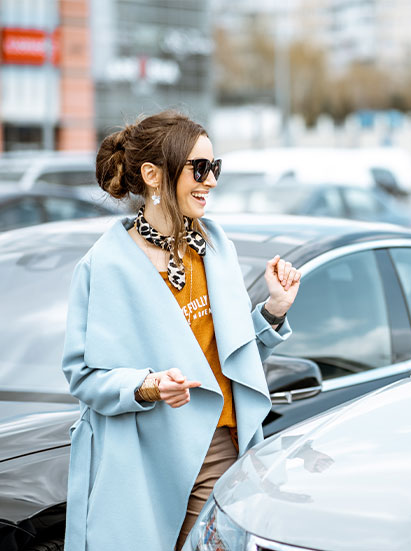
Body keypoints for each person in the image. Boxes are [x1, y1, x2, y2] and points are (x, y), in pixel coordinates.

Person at [61, 110, 301, 551]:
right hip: (146, 458)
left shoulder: (214, 246)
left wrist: (272, 311)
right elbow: (82, 375)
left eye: (215, 168)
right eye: (199, 168)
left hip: (223, 447)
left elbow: (229, 357)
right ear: (153, 175)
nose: (211, 180)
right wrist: (148, 385)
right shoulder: (105, 266)